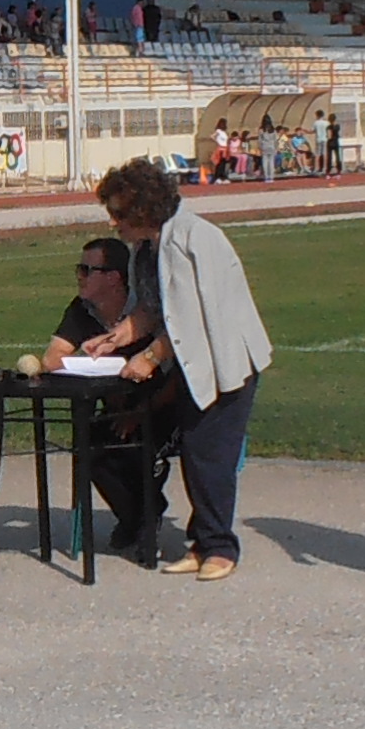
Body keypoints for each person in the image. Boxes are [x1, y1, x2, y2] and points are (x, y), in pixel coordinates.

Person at [88, 157, 272, 580]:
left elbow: (192, 318)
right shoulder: (145, 249)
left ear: (142, 209)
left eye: (119, 213)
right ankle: (203, 542)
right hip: (194, 363)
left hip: (228, 360)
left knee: (211, 454)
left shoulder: (193, 239)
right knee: (196, 451)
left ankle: (220, 547)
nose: (114, 222)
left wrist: (151, 357)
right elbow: (151, 309)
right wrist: (116, 337)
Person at [22, 233, 161, 559]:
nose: (79, 277)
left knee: (138, 445)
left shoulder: (145, 310)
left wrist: (138, 412)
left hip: (160, 406)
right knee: (91, 441)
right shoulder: (82, 309)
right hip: (115, 408)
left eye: (87, 270)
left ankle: (146, 518)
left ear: (113, 278)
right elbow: (52, 358)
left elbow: (174, 373)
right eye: (79, 269)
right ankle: (135, 518)